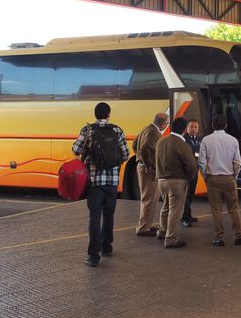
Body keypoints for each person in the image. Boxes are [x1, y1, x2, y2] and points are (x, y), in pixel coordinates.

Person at [72, 102, 129, 267]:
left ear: (95, 115)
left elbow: (76, 150)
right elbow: (125, 153)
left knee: (95, 218)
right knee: (109, 215)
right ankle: (107, 247)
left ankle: (93, 255)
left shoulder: (88, 130)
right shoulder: (117, 130)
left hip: (94, 182)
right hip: (112, 182)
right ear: (109, 114)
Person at [199, 114, 241, 247]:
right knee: (233, 208)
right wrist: (234, 177)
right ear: (226, 125)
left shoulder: (206, 140)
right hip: (229, 178)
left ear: (212, 125)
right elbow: (238, 162)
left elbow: (202, 163)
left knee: (216, 209)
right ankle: (239, 235)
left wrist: (206, 177)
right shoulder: (233, 140)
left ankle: (218, 237)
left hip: (212, 179)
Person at [155, 117, 198, 249]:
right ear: (185, 129)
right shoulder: (182, 145)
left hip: (161, 181)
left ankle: (162, 231)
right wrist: (190, 177)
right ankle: (171, 238)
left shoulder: (161, 142)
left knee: (166, 206)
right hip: (177, 181)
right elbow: (191, 165)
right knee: (175, 210)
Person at [133, 112, 169, 237]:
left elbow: (135, 144)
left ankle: (147, 224)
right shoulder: (154, 133)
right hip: (147, 170)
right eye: (167, 123)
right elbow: (145, 148)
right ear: (163, 123)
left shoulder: (146, 128)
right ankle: (143, 228)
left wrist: (139, 158)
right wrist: (149, 165)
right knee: (150, 198)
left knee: (147, 198)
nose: (167, 125)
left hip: (141, 167)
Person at [181, 119, 202, 228]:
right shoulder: (184, 140)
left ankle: (189, 214)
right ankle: (185, 218)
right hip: (186, 173)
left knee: (191, 194)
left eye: (196, 127)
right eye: (191, 127)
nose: (194, 129)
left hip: (195, 171)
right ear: (187, 128)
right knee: (186, 195)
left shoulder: (199, 140)